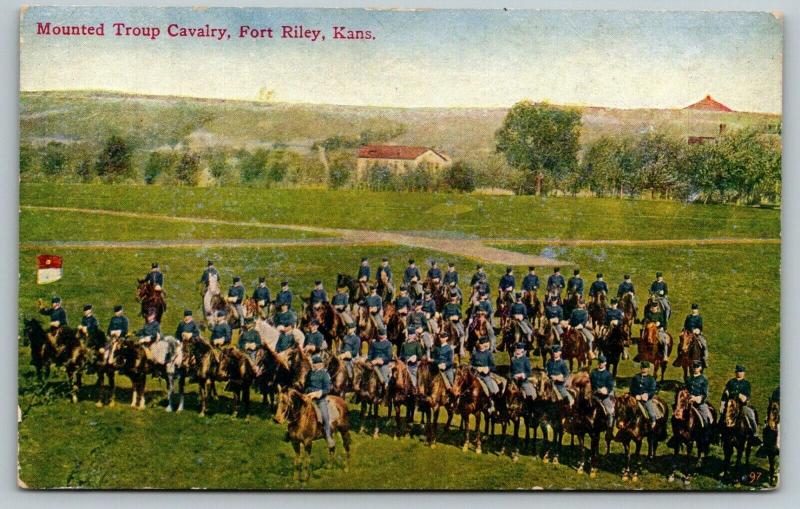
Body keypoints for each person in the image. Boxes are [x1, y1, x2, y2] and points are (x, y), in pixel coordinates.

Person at [720, 365, 761, 445]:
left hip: (742, 406)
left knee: (751, 416)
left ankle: (754, 435)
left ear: (744, 373)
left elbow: (746, 397)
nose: (739, 373)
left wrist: (739, 395)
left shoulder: (746, 384)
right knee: (722, 417)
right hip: (730, 405)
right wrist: (722, 405)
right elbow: (724, 395)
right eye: (738, 371)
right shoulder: (731, 382)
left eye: (741, 372)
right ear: (735, 372)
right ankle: (719, 434)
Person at [305, 354, 336, 448]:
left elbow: (327, 389)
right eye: (313, 363)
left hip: (320, 398)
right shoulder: (310, 373)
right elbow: (306, 385)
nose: (314, 365)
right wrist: (308, 393)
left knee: (325, 416)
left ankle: (328, 436)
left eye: (316, 363)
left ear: (320, 364)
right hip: (309, 396)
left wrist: (317, 393)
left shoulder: (325, 374)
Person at [471, 336, 500, 413]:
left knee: (491, 388)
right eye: (480, 343)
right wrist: (476, 368)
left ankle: (492, 403)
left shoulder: (489, 354)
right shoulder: (475, 353)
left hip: (485, 376)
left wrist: (488, 368)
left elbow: (493, 366)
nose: (480, 345)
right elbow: (470, 364)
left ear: (485, 345)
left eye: (482, 344)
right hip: (476, 375)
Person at [630, 361, 658, 429]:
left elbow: (652, 390)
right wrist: (636, 394)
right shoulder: (636, 377)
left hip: (646, 398)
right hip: (636, 397)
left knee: (649, 407)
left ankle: (653, 420)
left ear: (648, 369)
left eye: (645, 367)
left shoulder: (651, 379)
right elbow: (632, 387)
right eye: (642, 367)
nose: (643, 369)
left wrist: (646, 395)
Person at [685, 360, 713, 426]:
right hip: (688, 401)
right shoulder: (689, 378)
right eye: (694, 367)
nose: (695, 368)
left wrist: (696, 398)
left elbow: (704, 394)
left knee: (704, 418)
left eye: (697, 367)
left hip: (699, 403)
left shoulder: (703, 379)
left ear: (700, 368)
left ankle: (705, 431)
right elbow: (685, 390)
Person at [590, 355, 616, 428]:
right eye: (599, 362)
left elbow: (610, 386)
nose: (600, 364)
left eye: (602, 362)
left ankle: (609, 427)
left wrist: (606, 390)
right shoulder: (593, 372)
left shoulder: (608, 374)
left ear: (605, 363)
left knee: (610, 410)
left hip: (604, 396)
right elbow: (590, 383)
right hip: (594, 394)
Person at [683, 303, 708, 368]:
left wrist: (697, 330)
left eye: (695, 309)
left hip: (696, 333)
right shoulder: (688, 317)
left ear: (697, 310)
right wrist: (686, 330)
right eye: (693, 309)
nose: (694, 310)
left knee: (704, 344)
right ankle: (680, 358)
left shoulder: (699, 317)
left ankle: (705, 358)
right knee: (682, 343)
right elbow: (685, 325)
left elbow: (700, 326)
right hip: (688, 333)